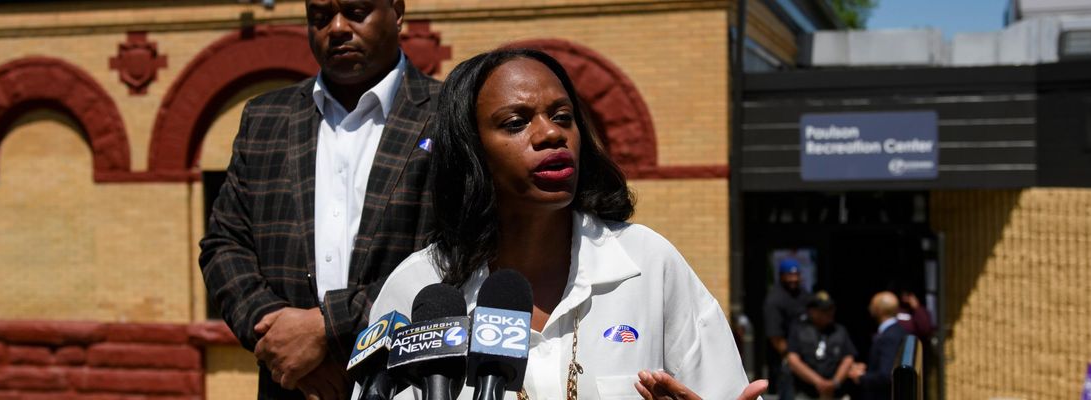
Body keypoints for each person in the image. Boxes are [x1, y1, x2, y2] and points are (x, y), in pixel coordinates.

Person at [365, 48, 765, 399]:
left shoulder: (648, 263)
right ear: (471, 152)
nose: (550, 133)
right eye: (516, 122)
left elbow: (724, 390)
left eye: (562, 116)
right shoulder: (418, 288)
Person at [198, 0, 439, 398]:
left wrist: (328, 327)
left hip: (409, 381)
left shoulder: (450, 114)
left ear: (396, 11)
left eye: (357, 11)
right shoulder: (265, 119)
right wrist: (281, 339)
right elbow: (224, 246)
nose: (338, 28)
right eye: (321, 17)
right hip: (291, 385)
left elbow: (458, 255)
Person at [786, 291, 855, 400]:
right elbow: (793, 359)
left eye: (831, 309)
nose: (830, 313)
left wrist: (834, 382)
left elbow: (848, 358)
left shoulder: (839, 330)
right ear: (812, 311)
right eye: (824, 310)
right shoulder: (799, 330)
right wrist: (818, 382)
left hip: (836, 394)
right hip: (807, 393)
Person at [763, 258, 814, 400]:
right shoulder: (775, 299)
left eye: (796, 275)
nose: (794, 279)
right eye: (789, 275)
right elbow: (775, 337)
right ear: (781, 276)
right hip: (786, 359)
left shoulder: (804, 295)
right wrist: (791, 357)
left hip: (807, 357)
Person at [847, 291, 909, 400]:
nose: (869, 308)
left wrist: (861, 377)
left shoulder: (889, 336)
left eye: (872, 305)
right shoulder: (897, 330)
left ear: (879, 310)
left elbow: (886, 375)